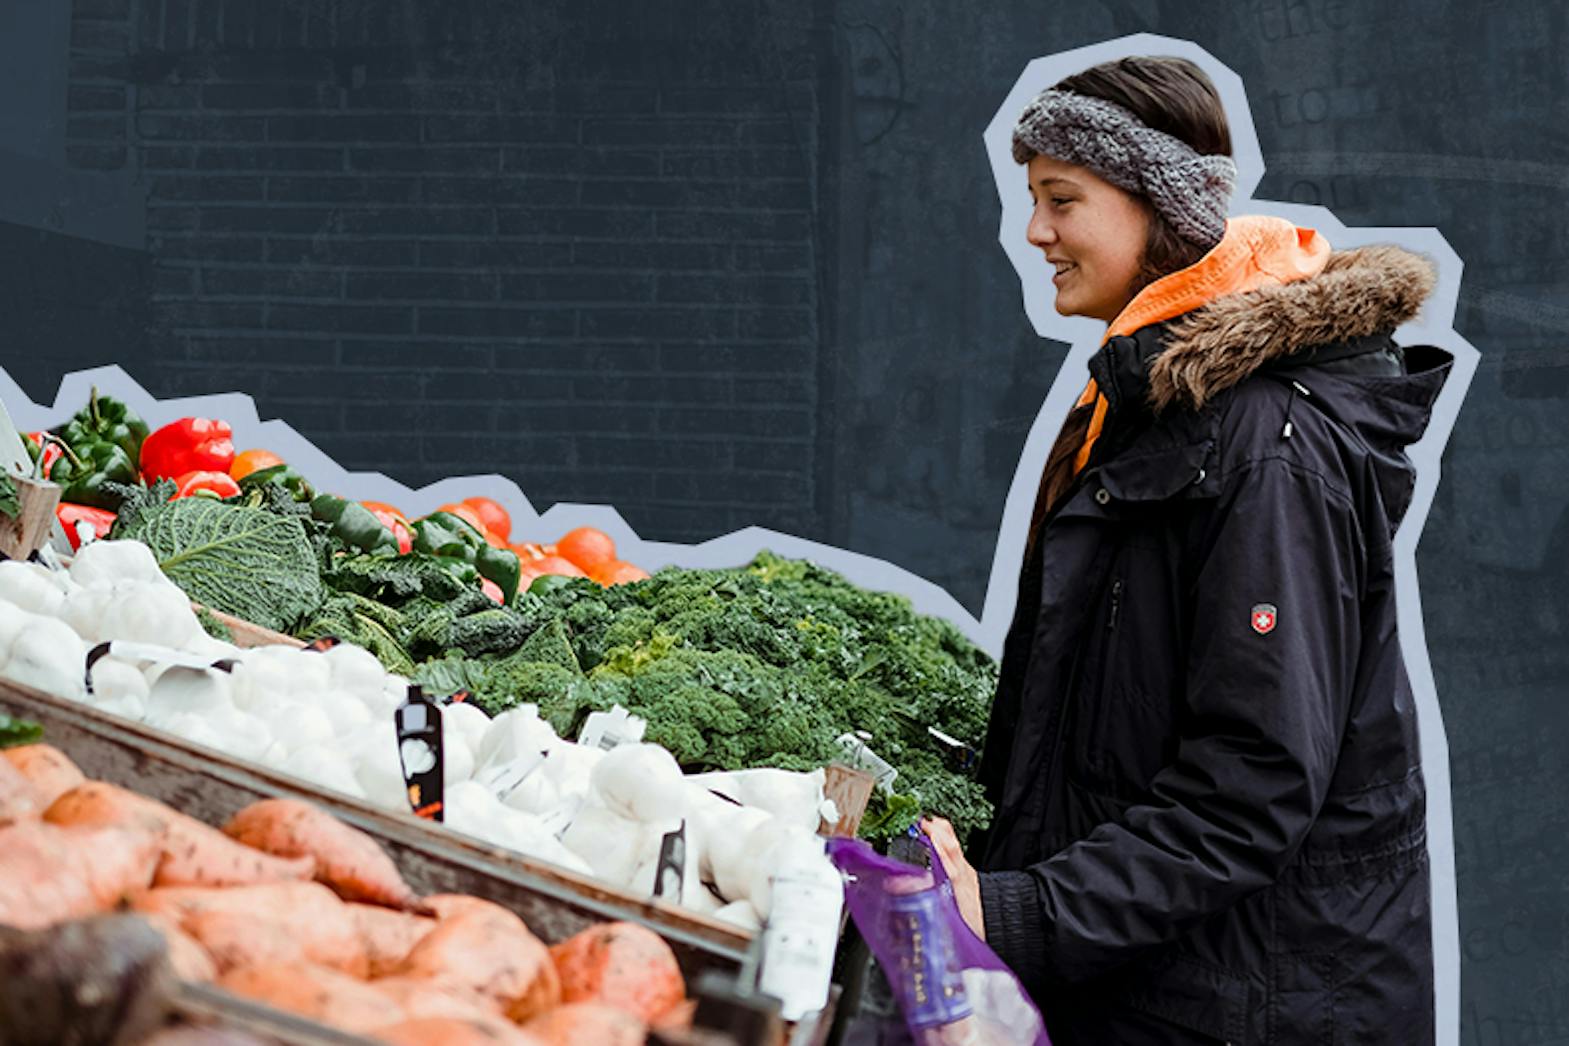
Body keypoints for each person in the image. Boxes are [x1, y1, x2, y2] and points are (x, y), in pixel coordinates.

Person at [919, 55, 1451, 1044]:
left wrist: (1014, 910)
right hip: (1163, 982)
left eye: (1060, 199)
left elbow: (1253, 782)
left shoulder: (1262, 444)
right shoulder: (1155, 402)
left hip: (1254, 1004)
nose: (1035, 232)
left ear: (1156, 204)